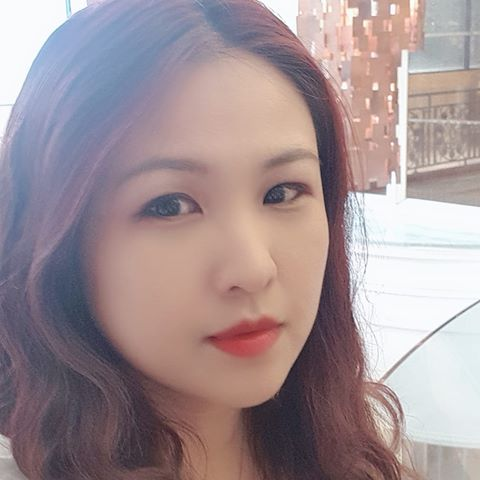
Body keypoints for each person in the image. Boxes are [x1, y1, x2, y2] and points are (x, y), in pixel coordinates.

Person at [0, 0, 419, 479]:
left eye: (282, 192)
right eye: (170, 205)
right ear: (56, 237)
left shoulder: (357, 445)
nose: (253, 268)